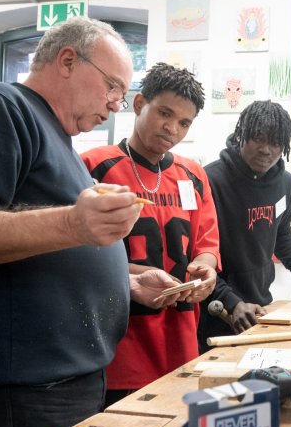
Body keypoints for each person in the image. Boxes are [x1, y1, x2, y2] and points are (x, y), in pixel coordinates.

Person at [0, 17, 177, 427]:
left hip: (67, 384)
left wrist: (130, 283)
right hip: (20, 392)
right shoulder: (0, 105)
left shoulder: (60, 138)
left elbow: (52, 255)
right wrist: (74, 224)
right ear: (67, 60)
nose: (117, 104)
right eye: (113, 87)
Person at [82, 62, 220, 406]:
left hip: (181, 347)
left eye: (184, 123)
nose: (172, 128)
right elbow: (77, 256)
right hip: (118, 350)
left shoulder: (194, 174)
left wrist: (206, 271)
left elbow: (207, 245)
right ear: (140, 103)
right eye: (164, 113)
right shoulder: (93, 167)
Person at [198, 100, 291, 352]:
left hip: (259, 306)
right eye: (258, 138)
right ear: (240, 135)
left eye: (276, 143)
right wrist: (231, 303)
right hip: (216, 309)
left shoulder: (285, 184)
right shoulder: (211, 180)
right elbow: (198, 256)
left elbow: (282, 232)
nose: (266, 150)